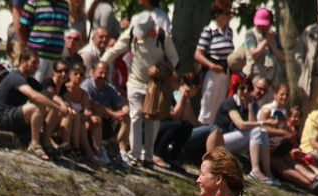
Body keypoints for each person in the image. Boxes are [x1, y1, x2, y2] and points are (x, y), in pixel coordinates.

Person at [101, 10, 178, 168]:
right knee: (135, 116)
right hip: (135, 81)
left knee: (152, 119)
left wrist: (167, 68)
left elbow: (174, 58)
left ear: (152, 29)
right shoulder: (131, 35)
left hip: (155, 85)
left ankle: (148, 157)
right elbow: (115, 50)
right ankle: (135, 154)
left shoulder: (163, 37)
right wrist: (102, 63)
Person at [0, 46, 65, 160]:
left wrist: (61, 104)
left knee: (52, 108)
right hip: (3, 118)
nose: (37, 66)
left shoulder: (30, 81)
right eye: (33, 63)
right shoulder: (15, 78)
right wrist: (56, 106)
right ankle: (34, 145)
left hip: (16, 117)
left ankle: (46, 143)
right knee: (37, 107)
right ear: (23, 62)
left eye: (37, 63)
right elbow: (34, 96)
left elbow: (50, 95)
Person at [214, 75, 278, 184]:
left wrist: (250, 108)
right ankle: (255, 170)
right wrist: (263, 122)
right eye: (242, 88)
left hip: (234, 141)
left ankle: (268, 173)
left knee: (262, 132)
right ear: (236, 88)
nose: (245, 91)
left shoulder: (246, 104)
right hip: (219, 140)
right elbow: (241, 125)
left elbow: (253, 125)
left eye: (249, 89)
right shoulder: (230, 102)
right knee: (259, 130)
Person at [154, 71, 224, 169]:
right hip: (163, 128)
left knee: (189, 126)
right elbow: (176, 115)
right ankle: (211, 166)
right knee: (213, 129)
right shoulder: (177, 95)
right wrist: (183, 98)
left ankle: (220, 165)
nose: (177, 86)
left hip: (173, 129)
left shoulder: (172, 96)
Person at [80, 58, 127, 166]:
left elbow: (121, 102)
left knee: (126, 116)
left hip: (106, 121)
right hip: (87, 119)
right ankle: (98, 151)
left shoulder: (108, 88)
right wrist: (113, 114)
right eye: (100, 73)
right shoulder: (86, 86)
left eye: (105, 74)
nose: (103, 76)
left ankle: (121, 151)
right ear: (92, 72)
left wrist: (124, 110)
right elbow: (92, 105)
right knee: (98, 116)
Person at [194, 0, 232, 126]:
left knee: (219, 106)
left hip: (225, 72)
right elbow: (198, 54)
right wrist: (211, 65)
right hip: (212, 72)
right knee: (208, 107)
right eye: (226, 13)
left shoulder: (229, 31)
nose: (229, 16)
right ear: (217, 14)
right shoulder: (209, 30)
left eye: (230, 13)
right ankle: (202, 135)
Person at [19, 0, 68, 84]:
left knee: (49, 88)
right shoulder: (34, 2)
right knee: (35, 85)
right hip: (38, 56)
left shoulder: (64, 5)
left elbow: (63, 29)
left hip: (55, 56)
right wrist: (26, 49)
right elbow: (23, 26)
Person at [243, 7, 283, 103]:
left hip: (272, 78)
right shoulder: (250, 34)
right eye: (259, 25)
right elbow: (254, 54)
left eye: (264, 25)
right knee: (256, 103)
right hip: (256, 76)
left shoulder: (274, 35)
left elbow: (282, 57)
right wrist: (265, 41)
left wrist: (271, 43)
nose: (262, 27)